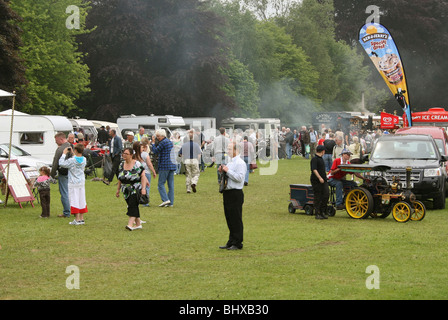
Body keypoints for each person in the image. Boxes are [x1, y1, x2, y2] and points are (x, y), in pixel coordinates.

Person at [218, 142, 247, 250]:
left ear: (236, 150)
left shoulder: (240, 163)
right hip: (228, 192)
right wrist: (222, 170)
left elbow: (239, 178)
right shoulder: (230, 162)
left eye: (230, 149)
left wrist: (227, 170)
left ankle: (238, 242)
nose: (228, 151)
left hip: (235, 193)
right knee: (229, 218)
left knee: (236, 218)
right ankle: (231, 240)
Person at [116, 147, 148, 231]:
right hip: (125, 190)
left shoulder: (137, 164)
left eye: (126, 154)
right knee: (132, 205)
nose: (124, 155)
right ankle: (138, 224)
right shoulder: (121, 164)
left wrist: (143, 188)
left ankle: (130, 225)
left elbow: (143, 176)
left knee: (132, 205)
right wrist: (118, 190)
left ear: (131, 155)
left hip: (135, 188)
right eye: (123, 153)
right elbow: (120, 178)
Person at [59, 143, 88, 225]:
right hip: (81, 182)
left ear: (75, 150)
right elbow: (76, 159)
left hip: (73, 183)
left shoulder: (72, 160)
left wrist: (64, 154)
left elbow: (61, 163)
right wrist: (72, 153)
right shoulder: (84, 159)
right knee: (82, 200)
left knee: (74, 200)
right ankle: (81, 218)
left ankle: (77, 219)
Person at [151, 129, 176, 207]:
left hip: (164, 165)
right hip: (171, 165)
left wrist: (153, 143)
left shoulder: (163, 143)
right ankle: (171, 202)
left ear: (162, 136)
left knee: (161, 184)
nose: (157, 138)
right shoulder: (169, 142)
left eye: (158, 136)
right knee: (170, 185)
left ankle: (165, 200)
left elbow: (155, 151)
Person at [51, 132, 71, 218]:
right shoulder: (72, 146)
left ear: (61, 139)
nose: (56, 143)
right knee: (72, 193)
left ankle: (67, 212)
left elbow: (55, 163)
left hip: (63, 173)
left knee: (64, 193)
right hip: (72, 173)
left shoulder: (60, 150)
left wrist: (52, 175)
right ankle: (75, 210)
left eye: (56, 141)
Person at [310, 145, 329, 219]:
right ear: (322, 151)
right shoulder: (315, 159)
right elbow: (314, 169)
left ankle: (322, 211)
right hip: (316, 180)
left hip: (323, 180)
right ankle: (317, 213)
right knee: (318, 196)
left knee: (326, 195)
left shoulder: (321, 159)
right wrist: (319, 177)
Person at [140, 138, 157, 206]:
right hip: (146, 172)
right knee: (147, 187)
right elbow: (149, 164)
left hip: (138, 172)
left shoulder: (136, 154)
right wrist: (153, 171)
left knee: (140, 187)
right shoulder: (145, 154)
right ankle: (145, 202)